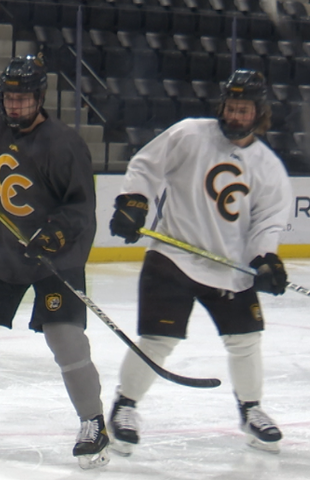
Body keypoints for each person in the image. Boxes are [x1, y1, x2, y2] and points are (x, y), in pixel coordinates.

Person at [105, 69, 293, 456]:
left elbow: (268, 220)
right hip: (172, 256)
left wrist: (265, 258)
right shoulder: (190, 133)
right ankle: (125, 406)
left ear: (259, 113)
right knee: (159, 339)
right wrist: (134, 202)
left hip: (231, 268)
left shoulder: (268, 166)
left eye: (244, 110)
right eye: (231, 107)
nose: (235, 116)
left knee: (245, 341)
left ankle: (251, 409)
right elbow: (145, 166)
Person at [0, 54, 109, 470]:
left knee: (65, 339)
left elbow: (81, 208)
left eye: (23, 99)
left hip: (57, 257)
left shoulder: (65, 144)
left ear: (40, 99)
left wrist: (54, 234)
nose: (15, 106)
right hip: (4, 251)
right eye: (10, 98)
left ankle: (93, 422)